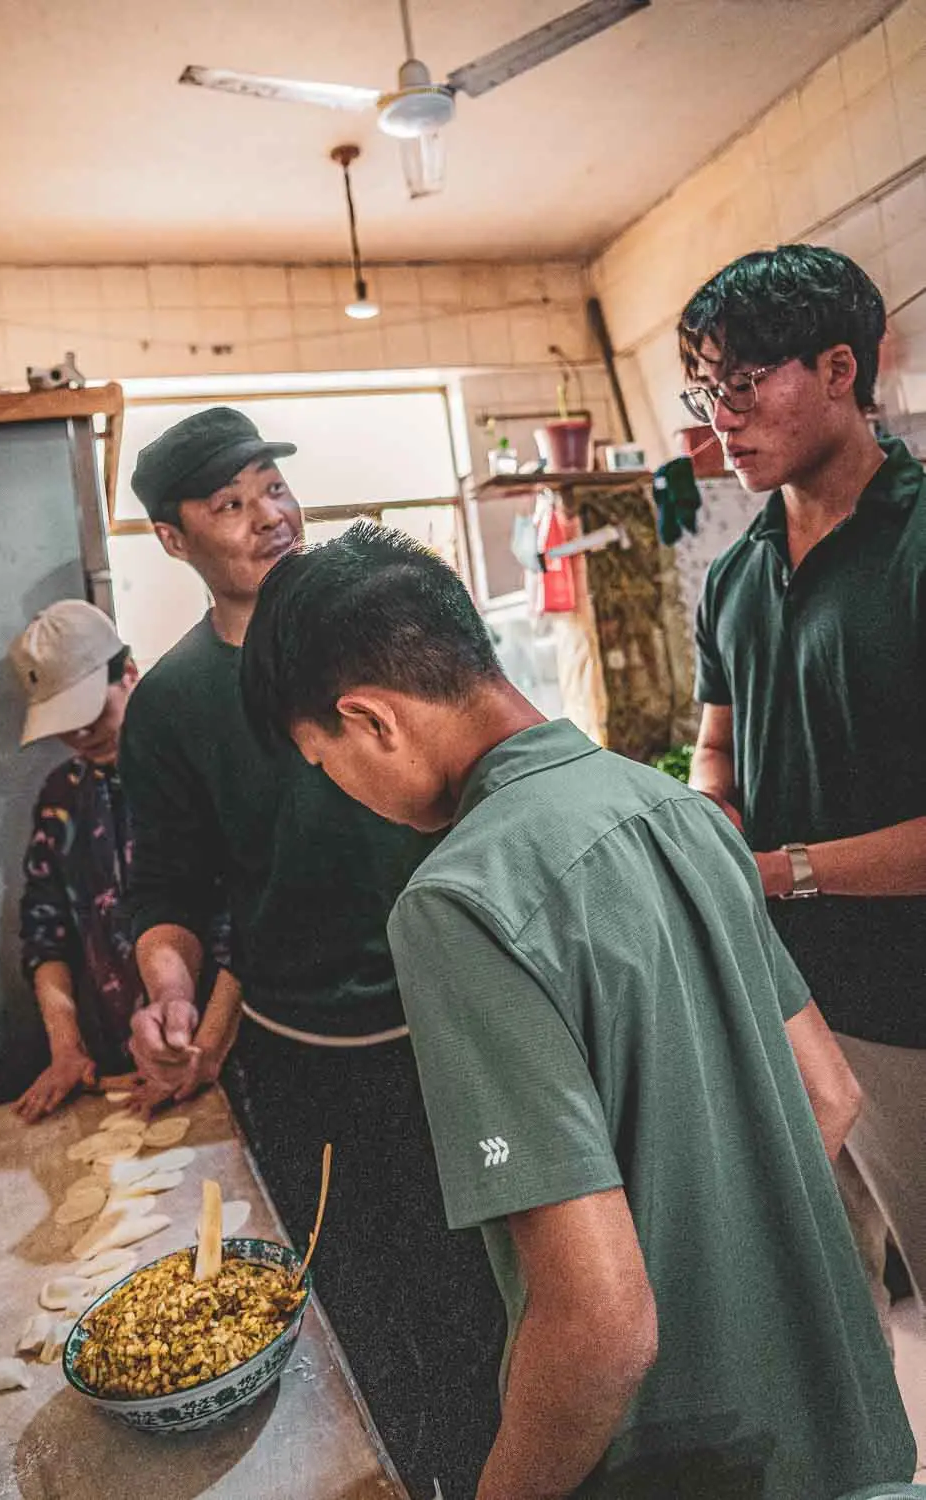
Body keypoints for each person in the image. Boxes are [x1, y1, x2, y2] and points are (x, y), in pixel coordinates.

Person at [239, 520, 915, 1500]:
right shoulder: (674, 805)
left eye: (325, 761)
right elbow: (829, 1093)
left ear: (374, 719)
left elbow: (599, 1324)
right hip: (847, 1421)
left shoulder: (458, 903)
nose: (344, 792)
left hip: (689, 1464)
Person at [118, 407, 504, 1500]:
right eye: (228, 504)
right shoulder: (172, 704)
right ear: (172, 539)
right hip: (304, 1062)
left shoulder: (383, 627)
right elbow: (167, 889)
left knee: (494, 1287)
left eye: (271, 488)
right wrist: (169, 990)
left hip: (456, 1028)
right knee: (361, 1309)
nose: (267, 516)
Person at [678, 245, 926, 1330]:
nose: (720, 416)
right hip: (789, 1001)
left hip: (914, 1009)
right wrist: (710, 820)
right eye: (705, 387)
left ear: (839, 368)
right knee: (829, 1313)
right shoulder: (736, 575)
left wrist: (775, 873)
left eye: (742, 383)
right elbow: (717, 754)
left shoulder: (917, 545)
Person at [8, 599, 229, 1121]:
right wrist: (68, 1048)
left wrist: (208, 1044)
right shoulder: (62, 797)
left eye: (90, 715)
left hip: (225, 1048)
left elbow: (248, 920)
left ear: (128, 673)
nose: (82, 736)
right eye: (64, 726)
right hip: (122, 1058)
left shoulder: (202, 767)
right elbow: (46, 931)